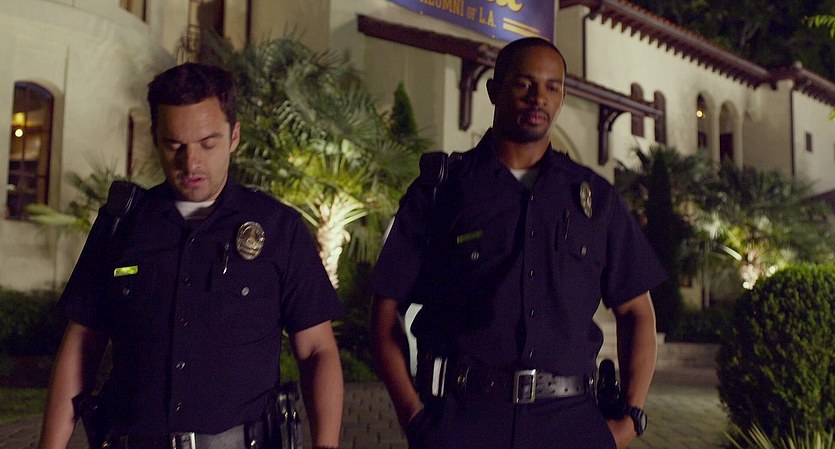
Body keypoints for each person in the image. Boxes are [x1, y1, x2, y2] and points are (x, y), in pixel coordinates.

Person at [370, 37, 665, 449]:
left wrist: (630, 419)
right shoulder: (442, 191)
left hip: (571, 425)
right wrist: (414, 418)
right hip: (463, 421)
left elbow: (637, 311)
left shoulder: (595, 199)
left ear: (561, 97)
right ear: (495, 90)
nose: (538, 97)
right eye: (523, 84)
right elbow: (386, 311)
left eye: (551, 86)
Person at [38, 63, 344, 449]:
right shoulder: (123, 226)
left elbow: (317, 349)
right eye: (175, 145)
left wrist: (326, 444)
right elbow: (82, 343)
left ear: (234, 136)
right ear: (155, 137)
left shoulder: (278, 228)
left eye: (207, 143)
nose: (191, 162)